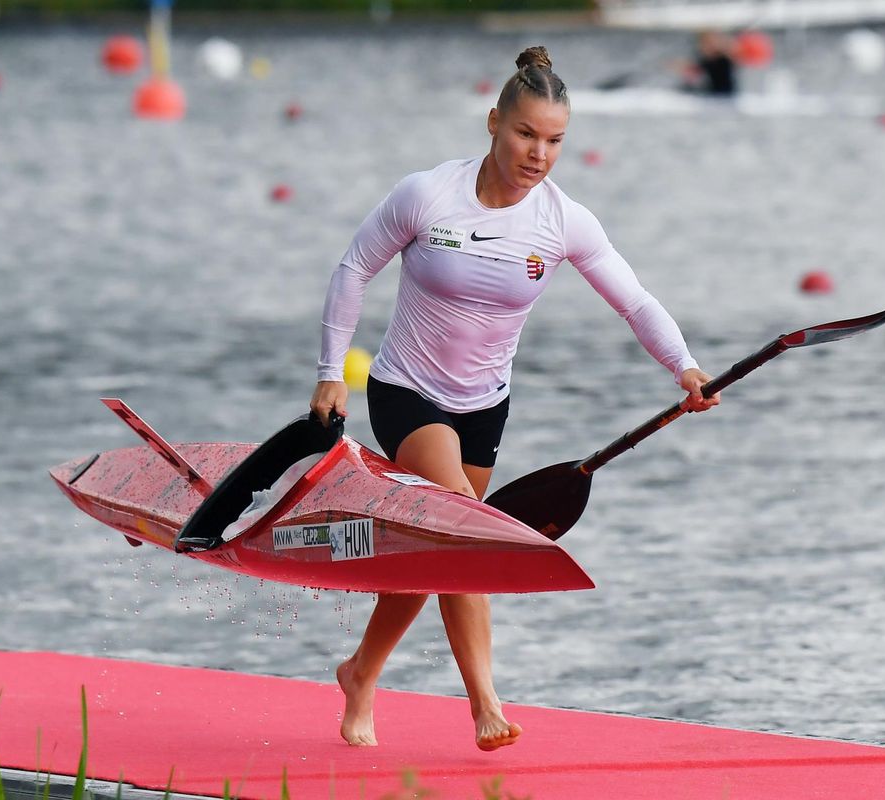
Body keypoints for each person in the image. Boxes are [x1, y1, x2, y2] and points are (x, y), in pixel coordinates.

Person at [309, 45, 719, 752]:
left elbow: (635, 301)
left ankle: (360, 672)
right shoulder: (427, 195)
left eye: (555, 141)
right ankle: (486, 705)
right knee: (463, 535)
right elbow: (354, 269)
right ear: (494, 122)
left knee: (432, 554)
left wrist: (683, 367)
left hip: (484, 407)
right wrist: (327, 373)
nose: (539, 154)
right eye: (527, 134)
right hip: (407, 392)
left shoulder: (563, 222)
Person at [677, 29, 737, 96]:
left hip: (724, 96)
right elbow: (695, 71)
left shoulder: (724, 59)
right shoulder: (703, 59)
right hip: (710, 95)